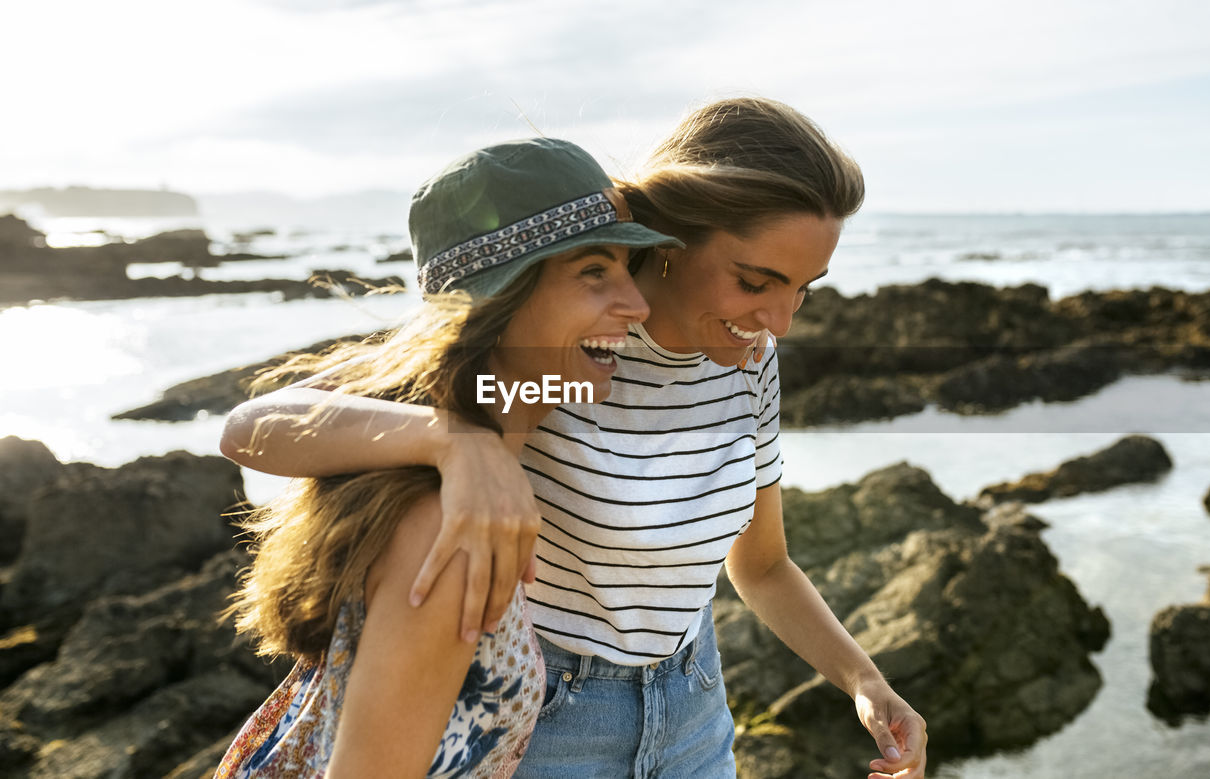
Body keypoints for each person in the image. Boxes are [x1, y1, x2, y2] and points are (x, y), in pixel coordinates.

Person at [222, 97, 927, 778]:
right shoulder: (570, 356)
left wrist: (865, 681)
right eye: (756, 282)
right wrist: (455, 441)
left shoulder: (746, 367)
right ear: (676, 241)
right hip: (551, 717)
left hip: (695, 709)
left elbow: (763, 565)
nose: (781, 321)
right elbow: (259, 427)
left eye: (805, 288)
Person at [214, 137, 680, 778]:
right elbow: (247, 425)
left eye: (631, 269)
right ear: (499, 299)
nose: (638, 304)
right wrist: (453, 445)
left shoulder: (509, 406)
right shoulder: (450, 530)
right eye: (593, 272)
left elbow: (254, 423)